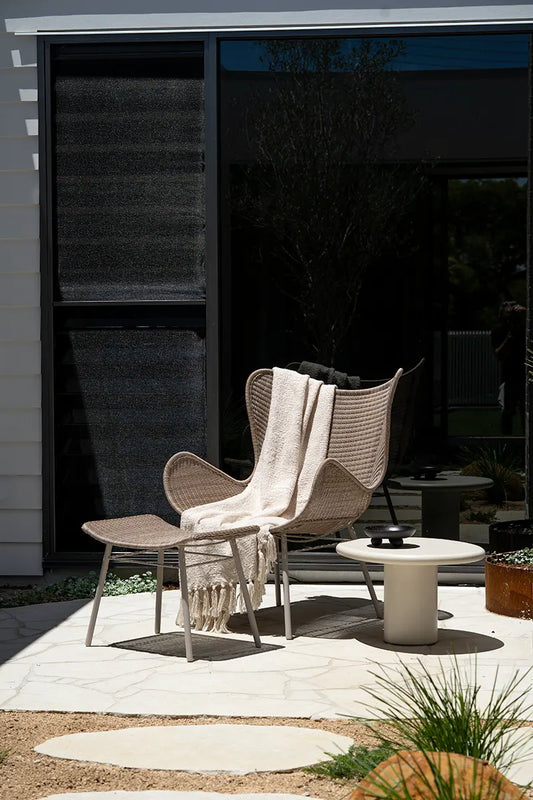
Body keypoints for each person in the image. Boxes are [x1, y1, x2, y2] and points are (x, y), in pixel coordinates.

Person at [491, 300, 526, 435]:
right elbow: (499, 355)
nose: (511, 306)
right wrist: (510, 337)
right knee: (507, 411)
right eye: (506, 304)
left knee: (526, 411)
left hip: (525, 374)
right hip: (509, 376)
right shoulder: (499, 330)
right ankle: (507, 443)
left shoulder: (525, 327)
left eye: (513, 304)